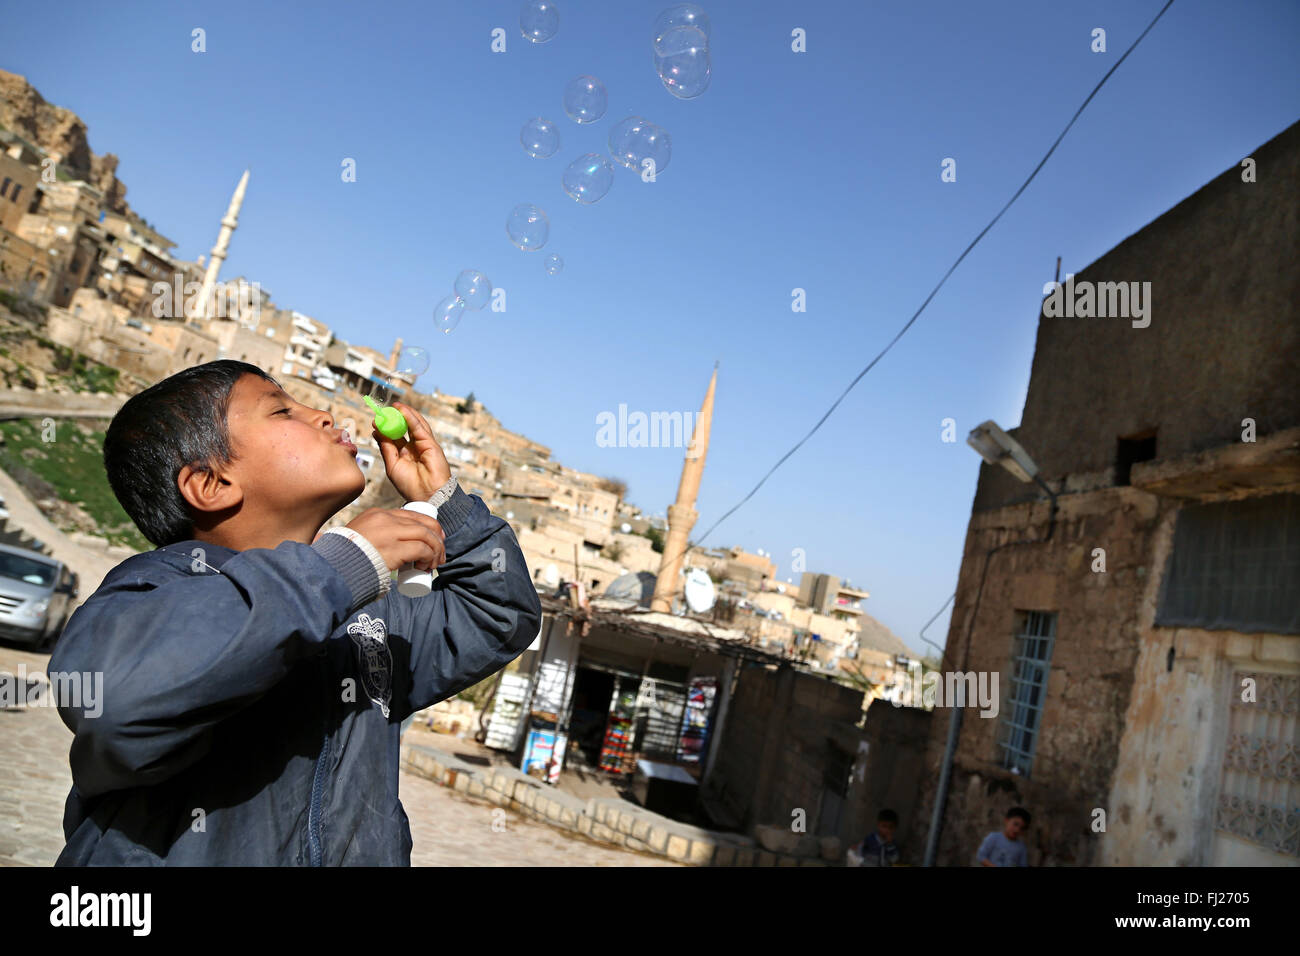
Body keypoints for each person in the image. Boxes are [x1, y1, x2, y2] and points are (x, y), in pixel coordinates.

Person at [48, 361, 541, 865]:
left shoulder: (368, 621)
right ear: (212, 484)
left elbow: (496, 615)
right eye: (282, 410)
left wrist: (444, 503)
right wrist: (342, 566)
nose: (324, 415)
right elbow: (119, 697)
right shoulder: (156, 590)